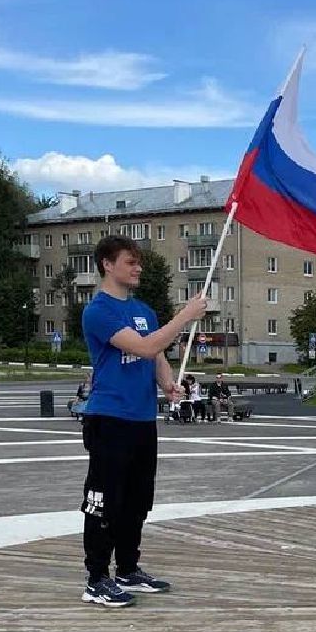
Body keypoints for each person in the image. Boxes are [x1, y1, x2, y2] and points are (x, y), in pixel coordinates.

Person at [79, 234, 208, 607]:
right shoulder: (98, 311)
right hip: (109, 416)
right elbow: (145, 346)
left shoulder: (144, 311)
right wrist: (184, 317)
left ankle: (128, 569)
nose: (138, 269)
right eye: (130, 262)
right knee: (105, 499)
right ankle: (96, 578)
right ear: (107, 264)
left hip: (140, 419)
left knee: (137, 499)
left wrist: (168, 383)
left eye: (139, 262)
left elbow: (156, 355)